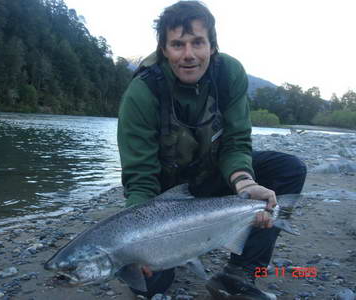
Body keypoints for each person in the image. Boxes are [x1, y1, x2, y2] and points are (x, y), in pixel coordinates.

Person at [117, 1, 307, 299]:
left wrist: (245, 183)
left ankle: (242, 270)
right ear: (164, 50)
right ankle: (175, 247)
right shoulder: (142, 92)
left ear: (212, 45)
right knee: (147, 285)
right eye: (178, 44)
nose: (189, 54)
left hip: (216, 177)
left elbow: (236, 143)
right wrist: (136, 239)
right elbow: (140, 177)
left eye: (198, 42)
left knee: (288, 168)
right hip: (165, 199)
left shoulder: (229, 73)